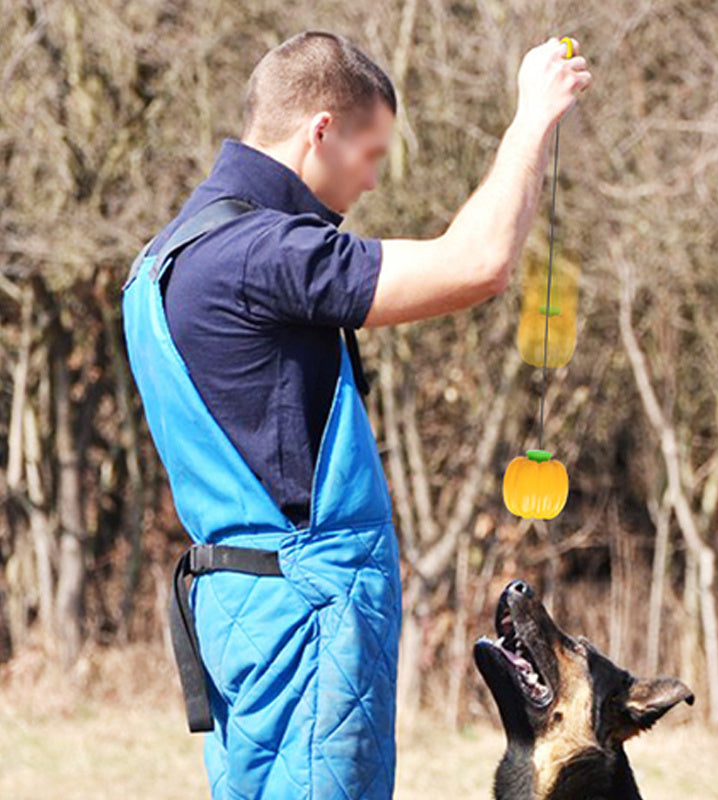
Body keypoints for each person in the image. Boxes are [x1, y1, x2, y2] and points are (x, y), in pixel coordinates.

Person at [120, 29, 591, 800]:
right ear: (321, 131)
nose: (372, 181)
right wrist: (532, 119)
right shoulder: (262, 254)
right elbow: (479, 264)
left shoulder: (163, 260)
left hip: (243, 613)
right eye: (372, 155)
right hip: (308, 622)